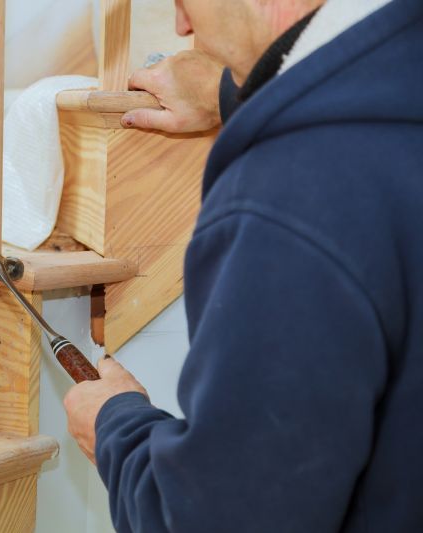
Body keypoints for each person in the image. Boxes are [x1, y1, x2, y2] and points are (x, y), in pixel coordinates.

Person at [62, 0, 423, 531]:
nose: (181, 24)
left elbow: (223, 517)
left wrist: (116, 430)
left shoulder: (289, 199)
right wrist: (231, 92)